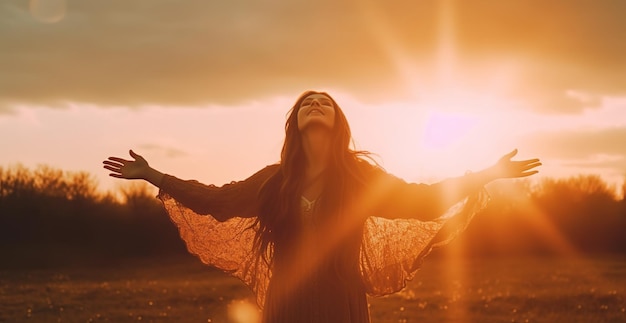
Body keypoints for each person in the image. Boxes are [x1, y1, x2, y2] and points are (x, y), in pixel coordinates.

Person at [103, 90, 541, 323]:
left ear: (337, 123)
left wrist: (486, 174)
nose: (315, 105)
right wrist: (155, 176)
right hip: (286, 303)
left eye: (325, 103)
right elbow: (215, 200)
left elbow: (423, 201)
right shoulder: (273, 180)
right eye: (306, 104)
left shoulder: (360, 180)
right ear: (294, 123)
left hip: (342, 301)